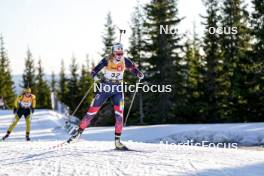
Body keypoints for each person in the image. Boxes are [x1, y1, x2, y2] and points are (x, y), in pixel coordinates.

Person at [69, 43, 144, 150]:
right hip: (105, 88)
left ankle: (117, 142)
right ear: (113, 52)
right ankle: (77, 134)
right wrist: (95, 77)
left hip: (118, 89)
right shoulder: (106, 60)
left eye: (121, 53)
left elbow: (133, 69)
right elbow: (94, 71)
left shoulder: (125, 60)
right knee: (91, 113)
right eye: (117, 53)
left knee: (119, 116)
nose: (119, 55)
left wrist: (138, 74)